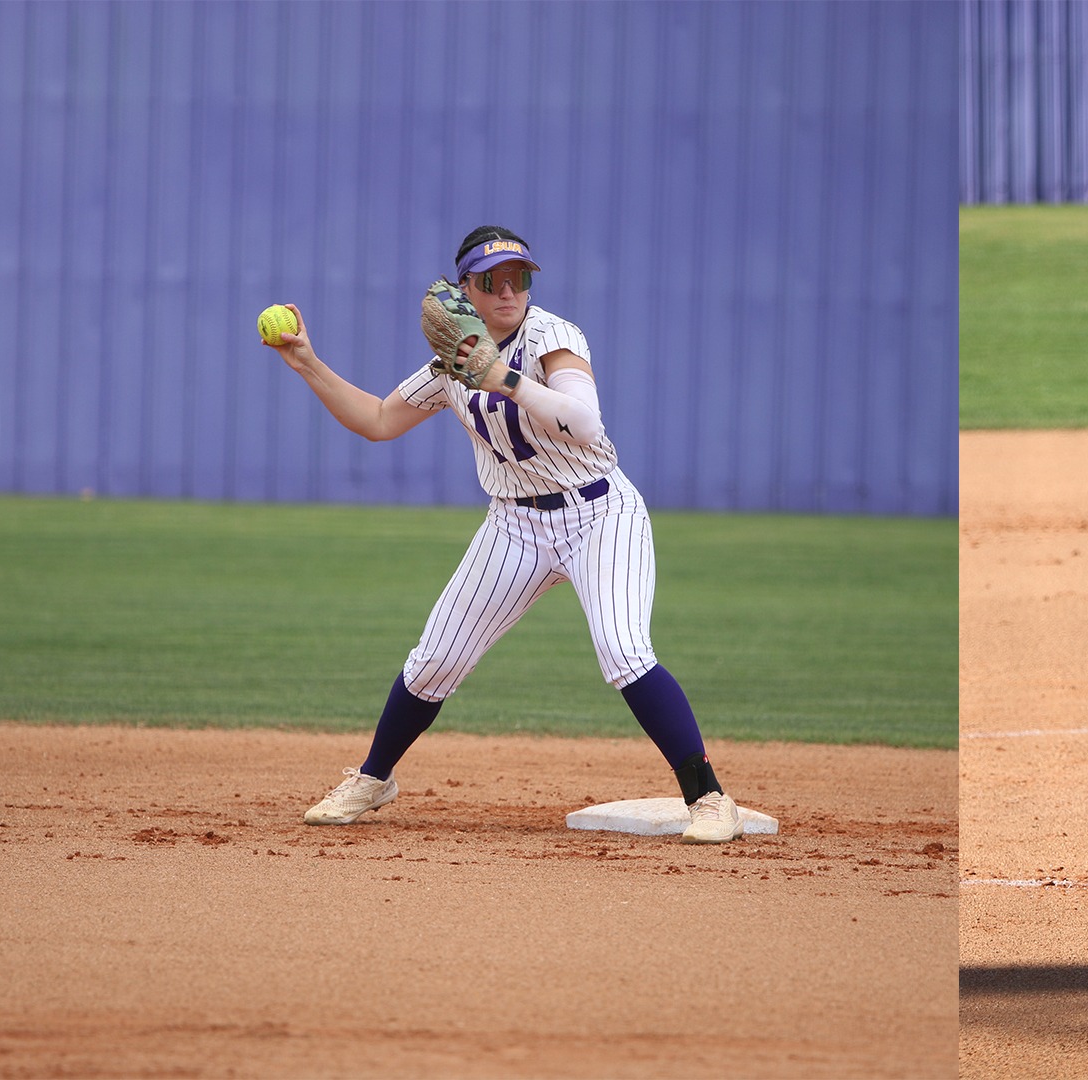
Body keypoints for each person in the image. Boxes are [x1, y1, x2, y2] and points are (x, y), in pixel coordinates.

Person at [262, 225, 745, 844]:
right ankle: (372, 777)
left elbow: (587, 422)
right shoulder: (452, 362)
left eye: (519, 276)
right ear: (466, 289)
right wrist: (306, 362)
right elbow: (379, 421)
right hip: (513, 522)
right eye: (493, 280)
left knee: (624, 652)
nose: (509, 290)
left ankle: (708, 798)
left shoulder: (552, 336)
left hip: (599, 513)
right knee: (435, 658)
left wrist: (503, 379)